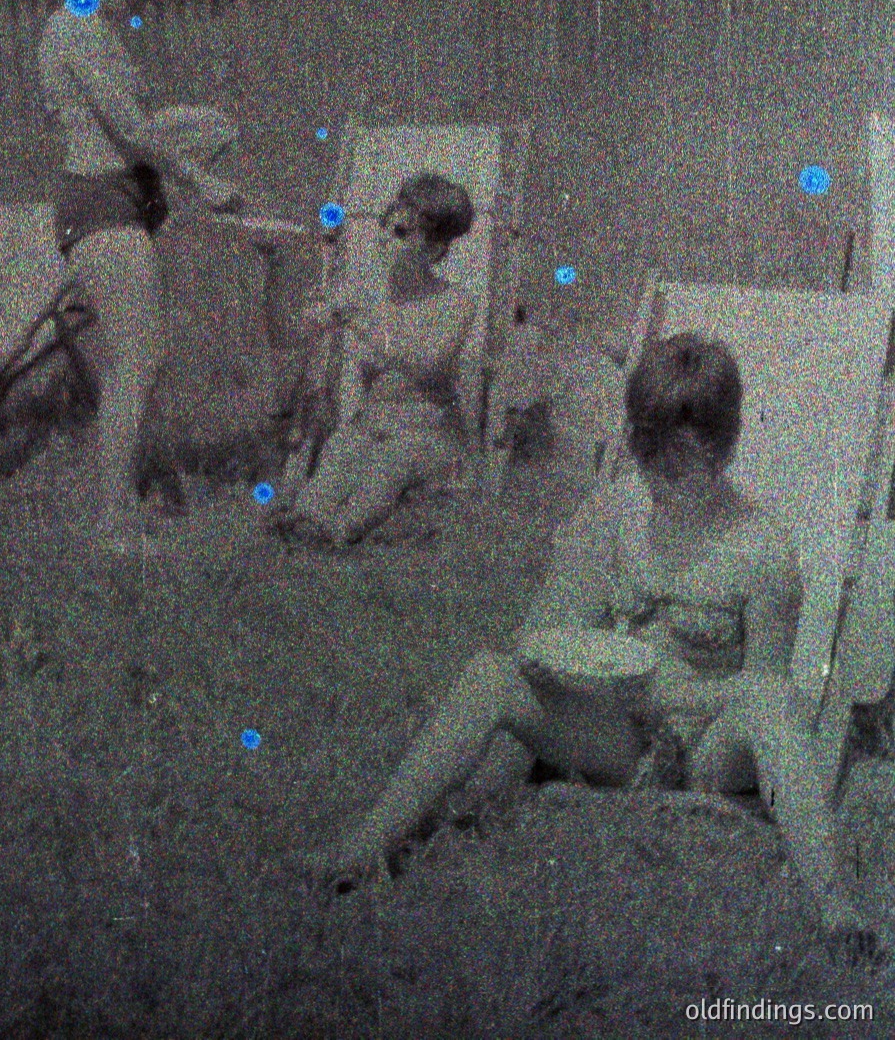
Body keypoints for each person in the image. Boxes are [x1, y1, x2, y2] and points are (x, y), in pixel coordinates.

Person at [293, 332, 882, 966]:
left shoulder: (761, 549)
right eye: (650, 460)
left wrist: (678, 695)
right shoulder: (614, 513)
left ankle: (835, 908)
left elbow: (764, 690)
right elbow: (539, 638)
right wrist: (577, 661)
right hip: (616, 734)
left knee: (771, 703)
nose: (663, 483)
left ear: (725, 448)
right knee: (491, 675)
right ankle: (364, 849)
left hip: (707, 750)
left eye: (681, 467)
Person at [38, 0, 244, 555]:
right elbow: (127, 131)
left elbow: (124, 126)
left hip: (118, 199)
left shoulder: (91, 25)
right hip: (100, 206)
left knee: (142, 357)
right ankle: (115, 524)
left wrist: (193, 125)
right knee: (137, 359)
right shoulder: (76, 27)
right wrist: (202, 180)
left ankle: (131, 498)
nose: (148, 3)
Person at [255, 174, 477, 546]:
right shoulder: (365, 289)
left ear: (435, 249)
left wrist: (361, 323)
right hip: (370, 425)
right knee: (340, 454)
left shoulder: (455, 302)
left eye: (402, 233)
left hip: (429, 435)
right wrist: (283, 278)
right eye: (384, 227)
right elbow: (292, 333)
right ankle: (307, 524)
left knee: (393, 460)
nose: (385, 239)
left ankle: (338, 533)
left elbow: (426, 362)